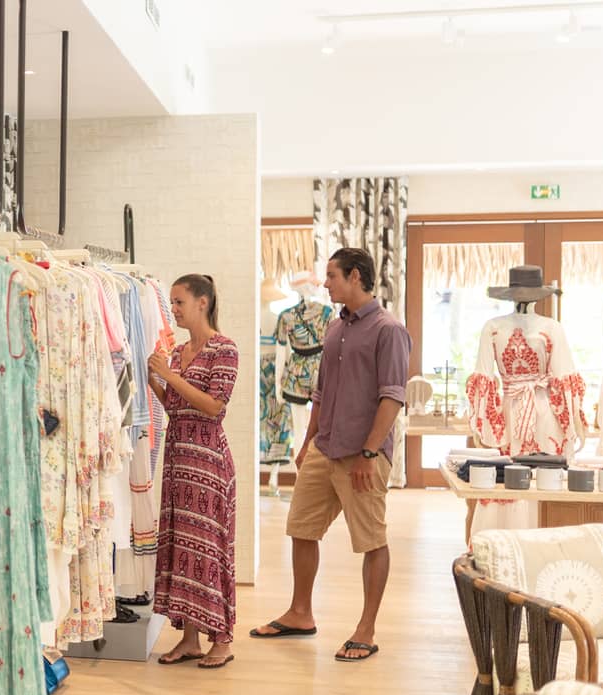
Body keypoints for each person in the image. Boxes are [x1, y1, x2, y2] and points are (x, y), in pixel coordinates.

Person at [250, 247, 411, 662]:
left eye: (332, 275)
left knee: (371, 540)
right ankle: (300, 613)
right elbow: (320, 392)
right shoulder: (336, 329)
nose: (325, 283)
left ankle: (366, 629)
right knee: (301, 528)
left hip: (364, 453)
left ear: (355, 277)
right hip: (324, 447)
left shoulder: (388, 329)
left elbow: (393, 397)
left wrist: (371, 452)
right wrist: (307, 444)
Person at [146, 274, 239, 669]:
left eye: (180, 302)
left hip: (208, 462)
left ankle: (222, 639)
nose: (175, 310)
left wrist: (169, 376)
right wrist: (155, 381)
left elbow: (215, 406)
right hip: (179, 459)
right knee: (183, 549)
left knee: (210, 549)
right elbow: (175, 407)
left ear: (203, 302)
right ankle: (189, 640)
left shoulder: (225, 349)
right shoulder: (180, 350)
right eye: (172, 303)